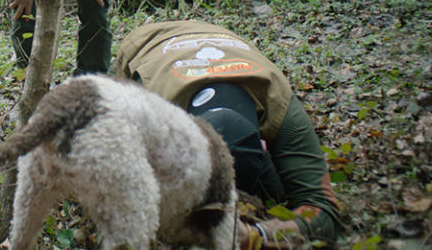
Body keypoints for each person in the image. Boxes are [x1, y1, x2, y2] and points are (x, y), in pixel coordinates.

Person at [113, 20, 342, 248]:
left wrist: (255, 235)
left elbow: (324, 210)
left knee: (272, 189)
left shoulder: (279, 106)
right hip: (148, 41)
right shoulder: (148, 113)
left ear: (264, 146)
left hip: (221, 38)